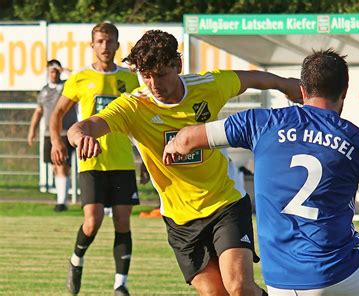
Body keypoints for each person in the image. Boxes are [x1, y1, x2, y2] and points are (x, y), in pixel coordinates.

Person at [162, 49, 359, 296]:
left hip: (279, 279)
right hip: (338, 268)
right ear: (344, 91)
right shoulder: (357, 140)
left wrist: (175, 144)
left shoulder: (262, 123)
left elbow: (189, 137)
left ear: (302, 89)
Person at [66, 29, 301, 296]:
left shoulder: (208, 85)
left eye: (161, 74)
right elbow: (84, 125)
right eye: (146, 76)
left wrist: (287, 84)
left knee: (238, 288)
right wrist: (81, 137)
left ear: (177, 65)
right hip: (180, 221)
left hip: (225, 203)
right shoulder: (133, 107)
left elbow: (253, 78)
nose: (153, 84)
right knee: (216, 293)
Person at [49, 22, 140, 296]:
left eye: (110, 41)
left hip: (123, 161)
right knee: (93, 220)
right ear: (92, 45)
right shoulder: (80, 78)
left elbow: (140, 122)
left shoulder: (130, 79)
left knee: (123, 221)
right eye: (99, 41)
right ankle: (76, 261)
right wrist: (57, 141)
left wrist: (146, 159)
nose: (105, 46)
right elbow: (56, 114)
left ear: (117, 45)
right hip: (92, 161)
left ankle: (120, 285)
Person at [28, 59, 76, 212]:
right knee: (55, 167)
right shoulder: (44, 90)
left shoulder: (66, 86)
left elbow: (77, 77)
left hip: (63, 133)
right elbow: (38, 111)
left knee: (61, 165)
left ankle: (61, 203)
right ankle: (61, 198)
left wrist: (64, 70)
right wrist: (32, 130)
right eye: (51, 71)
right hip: (49, 134)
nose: (54, 74)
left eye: (56, 71)